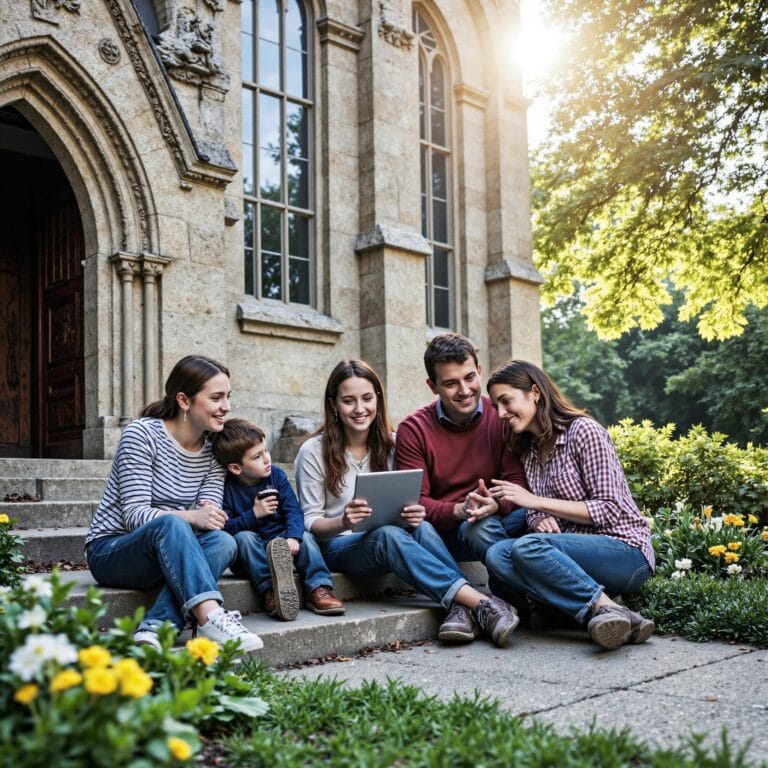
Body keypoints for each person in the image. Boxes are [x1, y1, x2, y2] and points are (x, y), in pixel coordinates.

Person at [294, 359, 520, 647]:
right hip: (338, 545)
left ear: (378, 399)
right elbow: (309, 523)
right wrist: (344, 521)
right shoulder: (313, 451)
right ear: (334, 404)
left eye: (367, 398)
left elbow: (404, 504)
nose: (360, 409)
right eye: (348, 401)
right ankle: (481, 603)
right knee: (387, 536)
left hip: (389, 536)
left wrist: (412, 514)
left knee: (421, 527)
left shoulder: (392, 443)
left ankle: (460, 607)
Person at [85, 355, 263, 653]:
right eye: (216, 397)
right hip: (113, 551)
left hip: (172, 552)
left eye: (228, 397)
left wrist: (203, 519)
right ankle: (210, 617)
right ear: (184, 400)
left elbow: (212, 519)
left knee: (223, 542)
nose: (227, 407)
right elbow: (134, 515)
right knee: (172, 523)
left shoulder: (213, 453)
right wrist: (193, 516)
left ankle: (157, 627)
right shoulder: (141, 435)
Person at [484, 360, 656, 650]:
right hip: (574, 554)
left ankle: (604, 609)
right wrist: (536, 516)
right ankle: (606, 613)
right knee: (497, 555)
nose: (501, 413)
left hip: (625, 551)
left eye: (506, 401)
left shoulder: (584, 432)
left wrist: (534, 502)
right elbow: (540, 506)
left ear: (535, 392)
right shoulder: (529, 449)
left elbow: (610, 509)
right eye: (495, 406)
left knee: (527, 547)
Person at [395, 333, 528, 563]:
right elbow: (414, 503)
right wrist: (460, 510)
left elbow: (516, 481)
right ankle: (518, 581)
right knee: (473, 528)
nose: (464, 390)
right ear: (432, 386)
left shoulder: (501, 416)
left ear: (479, 370)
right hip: (446, 533)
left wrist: (495, 504)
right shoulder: (413, 429)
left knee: (534, 514)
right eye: (450, 383)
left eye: (469, 377)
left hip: (498, 516)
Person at [211, 418, 345, 621]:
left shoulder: (276, 475)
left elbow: (293, 510)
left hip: (279, 543)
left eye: (265, 450)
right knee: (244, 537)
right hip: (249, 554)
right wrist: (253, 515)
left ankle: (319, 587)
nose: (266, 458)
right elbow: (226, 528)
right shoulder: (225, 488)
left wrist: (293, 537)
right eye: (257, 456)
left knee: (307, 538)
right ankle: (272, 592)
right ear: (236, 468)